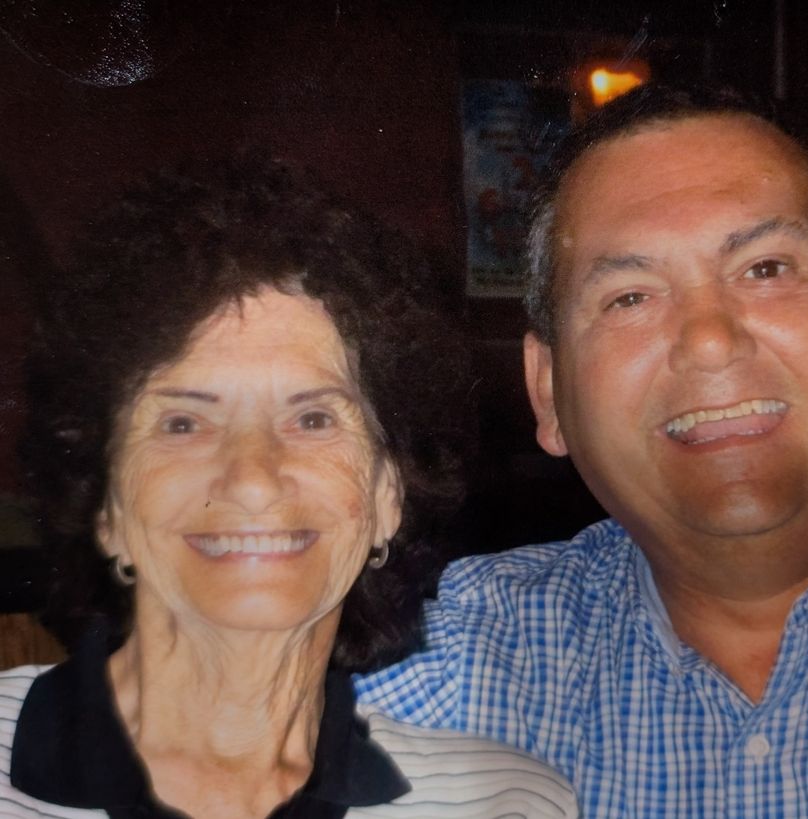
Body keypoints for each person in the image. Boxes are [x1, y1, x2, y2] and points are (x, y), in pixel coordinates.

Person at [357, 83, 808, 817]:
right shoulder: (469, 666)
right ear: (547, 390)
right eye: (630, 297)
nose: (709, 340)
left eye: (766, 268)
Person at [0, 158, 578, 818]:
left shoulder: (505, 802)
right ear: (106, 507)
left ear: (389, 495)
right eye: (184, 422)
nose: (252, 478)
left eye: (313, 418)